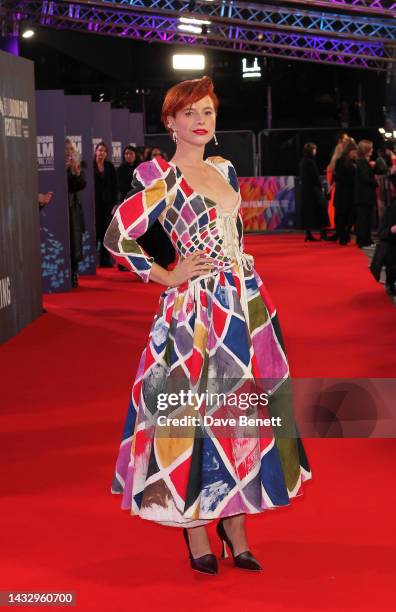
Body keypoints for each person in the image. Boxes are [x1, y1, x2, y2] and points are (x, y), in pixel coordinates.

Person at [104, 76, 311, 575]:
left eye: (208, 112)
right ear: (170, 122)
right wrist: (167, 273)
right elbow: (116, 236)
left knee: (241, 414)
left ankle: (235, 524)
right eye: (190, 112)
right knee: (189, 416)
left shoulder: (225, 169)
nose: (201, 121)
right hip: (194, 316)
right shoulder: (163, 180)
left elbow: (230, 235)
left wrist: (243, 275)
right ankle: (194, 527)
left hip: (244, 307)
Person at [65, 138, 86, 288]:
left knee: (74, 243)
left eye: (71, 150)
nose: (68, 153)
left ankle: (73, 273)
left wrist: (75, 172)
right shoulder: (54, 167)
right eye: (66, 150)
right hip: (57, 209)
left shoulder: (76, 167)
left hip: (72, 209)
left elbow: (80, 185)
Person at [299, 142, 331, 241]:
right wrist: (321, 187)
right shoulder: (310, 162)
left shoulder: (303, 161)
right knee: (322, 209)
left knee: (309, 212)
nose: (315, 151)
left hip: (306, 190)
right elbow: (315, 177)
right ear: (311, 150)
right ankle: (323, 233)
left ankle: (309, 234)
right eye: (314, 149)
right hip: (313, 190)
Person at [93, 141, 118, 267]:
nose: (101, 153)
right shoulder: (91, 166)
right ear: (95, 151)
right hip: (94, 205)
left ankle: (105, 260)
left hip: (107, 205)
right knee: (95, 232)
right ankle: (92, 261)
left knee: (105, 233)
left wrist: (115, 204)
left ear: (106, 154)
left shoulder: (109, 167)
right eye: (99, 150)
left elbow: (114, 186)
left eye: (103, 151)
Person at [334, 141, 358, 245]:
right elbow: (339, 177)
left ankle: (346, 235)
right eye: (354, 152)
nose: (355, 154)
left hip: (350, 194)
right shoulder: (340, 161)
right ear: (349, 151)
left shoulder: (355, 162)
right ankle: (342, 237)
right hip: (343, 194)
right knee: (343, 216)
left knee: (350, 217)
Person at [355, 140, 377, 248]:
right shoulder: (362, 162)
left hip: (364, 196)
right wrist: (375, 183)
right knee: (364, 220)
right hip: (364, 196)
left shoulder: (362, 161)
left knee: (365, 219)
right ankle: (363, 241)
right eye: (371, 148)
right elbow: (365, 178)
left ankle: (366, 240)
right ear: (366, 150)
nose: (372, 150)